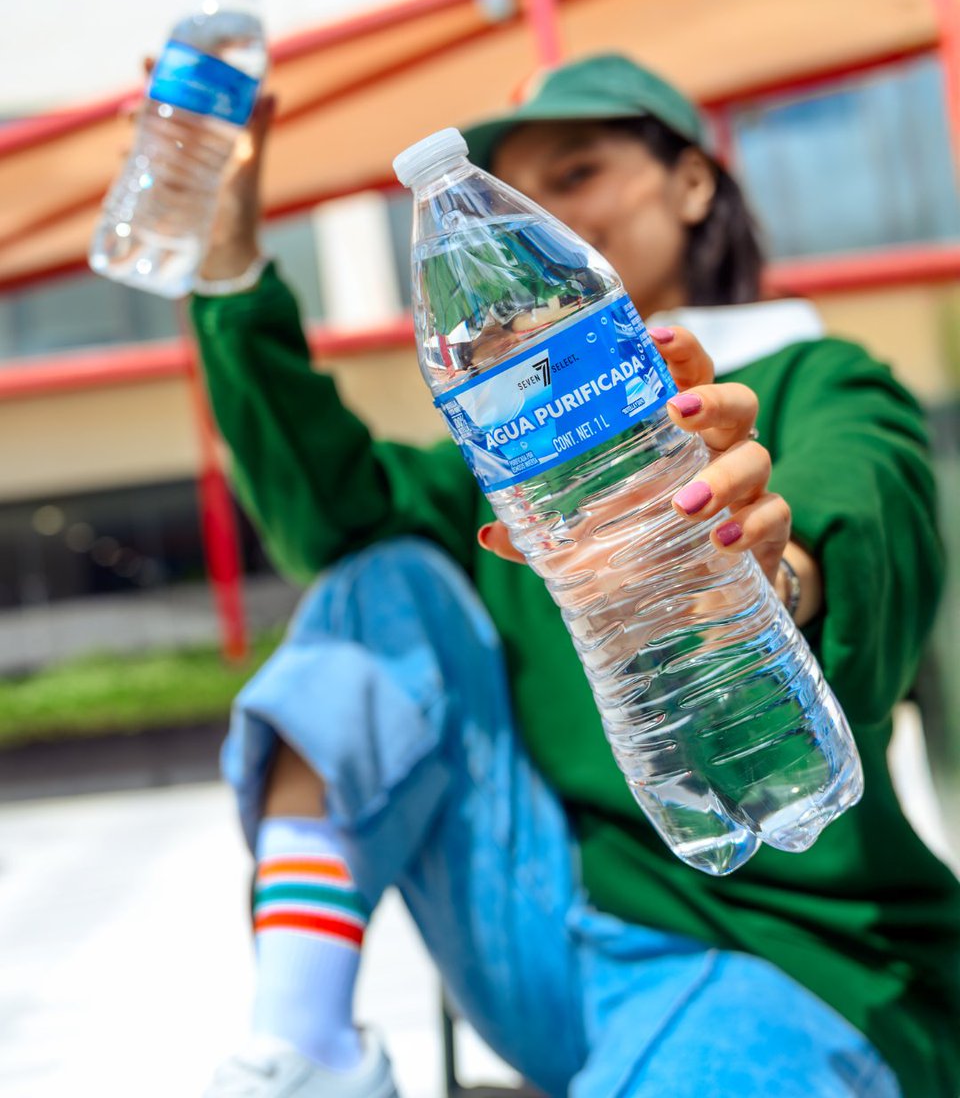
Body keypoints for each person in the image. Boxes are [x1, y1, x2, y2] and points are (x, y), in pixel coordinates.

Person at [182, 54, 960, 1097]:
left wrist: (763, 575)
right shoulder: (511, 468)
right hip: (540, 919)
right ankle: (304, 1037)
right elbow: (328, 504)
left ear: (692, 183)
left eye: (578, 173)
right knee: (381, 584)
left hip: (784, 951)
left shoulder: (812, 374)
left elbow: (874, 507)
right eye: (521, 194)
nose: (535, 217)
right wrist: (227, 264)